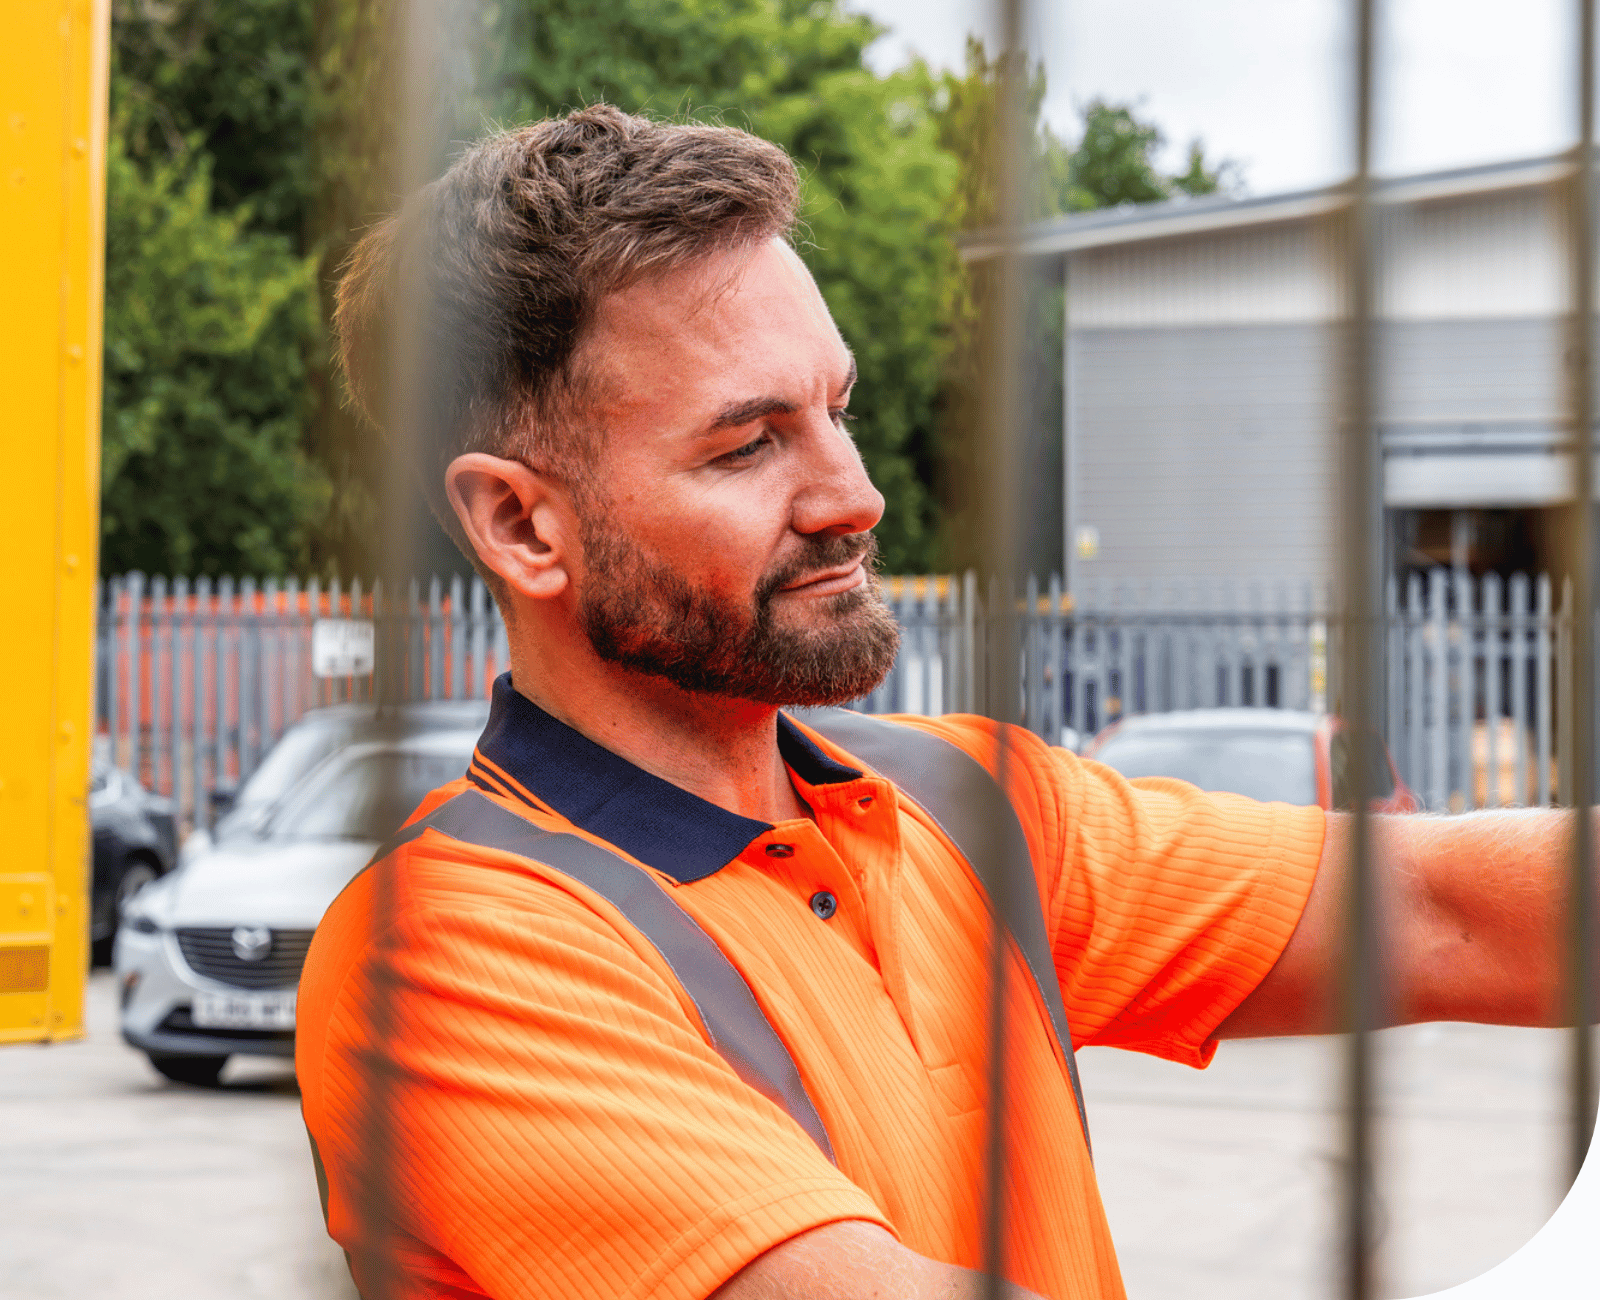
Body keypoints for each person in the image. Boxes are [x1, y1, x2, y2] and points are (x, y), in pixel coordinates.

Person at [297, 105, 1589, 1300]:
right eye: (749, 443)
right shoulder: (443, 954)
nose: (852, 495)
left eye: (836, 410)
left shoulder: (968, 805)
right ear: (523, 522)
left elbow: (1446, 909)